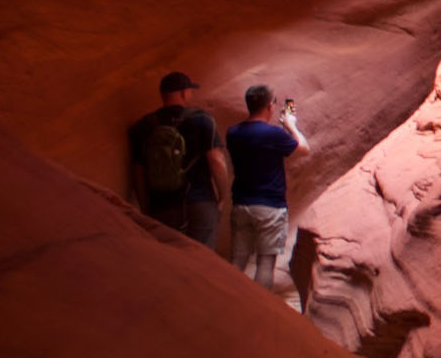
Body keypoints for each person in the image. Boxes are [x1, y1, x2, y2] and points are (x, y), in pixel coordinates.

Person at [226, 84, 311, 305]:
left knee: (237, 260)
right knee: (265, 263)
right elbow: (304, 148)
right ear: (269, 106)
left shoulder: (233, 133)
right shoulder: (273, 134)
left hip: (241, 204)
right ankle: (258, 307)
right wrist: (291, 125)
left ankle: (227, 302)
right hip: (270, 207)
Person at [128, 71, 227, 247]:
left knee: (169, 258)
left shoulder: (144, 126)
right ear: (183, 92)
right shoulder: (202, 119)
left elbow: (139, 173)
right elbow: (216, 160)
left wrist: (146, 208)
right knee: (201, 258)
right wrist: (222, 197)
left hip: (162, 206)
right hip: (200, 201)